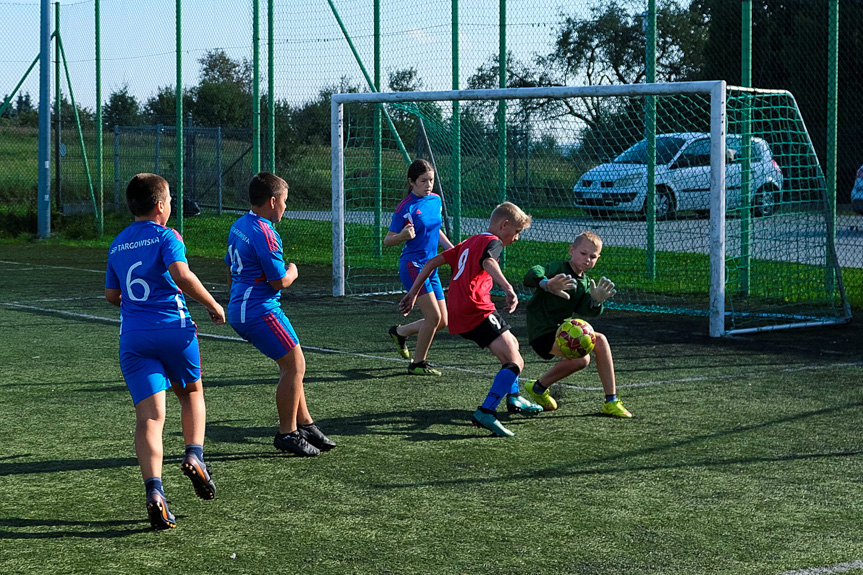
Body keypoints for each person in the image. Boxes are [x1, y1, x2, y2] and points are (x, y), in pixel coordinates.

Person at [105, 173, 226, 530]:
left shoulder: (117, 244)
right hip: (174, 329)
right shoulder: (167, 236)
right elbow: (182, 275)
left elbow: (113, 296)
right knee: (191, 394)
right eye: (170, 199)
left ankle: (155, 492)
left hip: (135, 338)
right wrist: (212, 303)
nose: (171, 204)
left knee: (150, 418)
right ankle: (195, 455)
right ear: (160, 206)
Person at [399, 202, 542, 437]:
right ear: (504, 225)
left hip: (460, 310)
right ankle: (486, 411)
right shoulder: (492, 242)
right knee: (516, 362)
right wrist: (508, 288)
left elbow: (432, 262)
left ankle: (514, 398)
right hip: (476, 308)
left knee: (512, 346)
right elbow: (489, 262)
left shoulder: (469, 241)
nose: (516, 238)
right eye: (516, 232)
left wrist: (413, 292)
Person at [225, 172, 335, 457]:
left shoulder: (239, 224)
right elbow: (278, 282)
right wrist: (293, 272)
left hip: (241, 307)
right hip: (259, 309)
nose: (286, 206)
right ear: (273, 202)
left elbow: (229, 268)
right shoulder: (266, 232)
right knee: (295, 366)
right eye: (285, 201)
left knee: (291, 365)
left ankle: (305, 423)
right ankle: (287, 433)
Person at [522, 231, 632, 418]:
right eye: (583, 253)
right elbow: (531, 274)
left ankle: (538, 387)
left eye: (593, 256)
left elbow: (586, 309)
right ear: (571, 250)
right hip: (541, 330)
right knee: (592, 349)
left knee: (589, 352)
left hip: (560, 330)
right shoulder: (558, 268)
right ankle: (610, 401)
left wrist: (596, 301)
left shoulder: (586, 282)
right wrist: (546, 283)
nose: (587, 259)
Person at [384, 159, 454, 376]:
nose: (428, 184)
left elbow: (436, 230)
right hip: (412, 265)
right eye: (423, 181)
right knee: (433, 317)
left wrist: (453, 252)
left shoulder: (435, 200)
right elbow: (388, 240)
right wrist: (403, 235)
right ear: (411, 182)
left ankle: (400, 332)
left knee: (443, 320)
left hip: (432, 265)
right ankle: (417, 363)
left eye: (431, 180)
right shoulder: (406, 208)